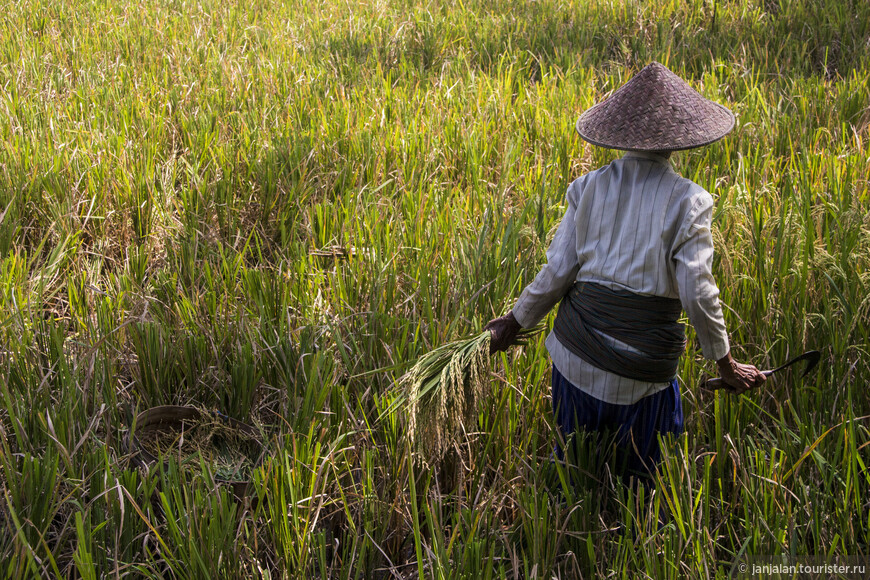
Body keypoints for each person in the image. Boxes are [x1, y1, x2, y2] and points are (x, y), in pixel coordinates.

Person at [485, 62, 766, 480]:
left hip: (573, 360)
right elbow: (698, 292)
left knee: (572, 474)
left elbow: (557, 273)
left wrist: (514, 321)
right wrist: (724, 364)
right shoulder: (690, 202)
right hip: (642, 379)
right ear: (680, 140)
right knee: (641, 489)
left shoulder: (587, 187)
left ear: (622, 135)